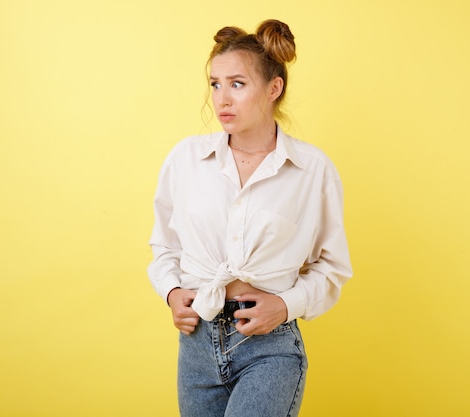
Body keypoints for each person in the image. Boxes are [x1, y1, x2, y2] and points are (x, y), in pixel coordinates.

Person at [148, 18, 352, 417]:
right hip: (196, 347)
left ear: (273, 88)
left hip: (269, 348)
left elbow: (332, 268)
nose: (221, 98)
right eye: (215, 83)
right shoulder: (186, 160)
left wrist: (286, 305)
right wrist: (172, 293)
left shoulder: (312, 170)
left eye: (237, 84)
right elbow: (164, 246)